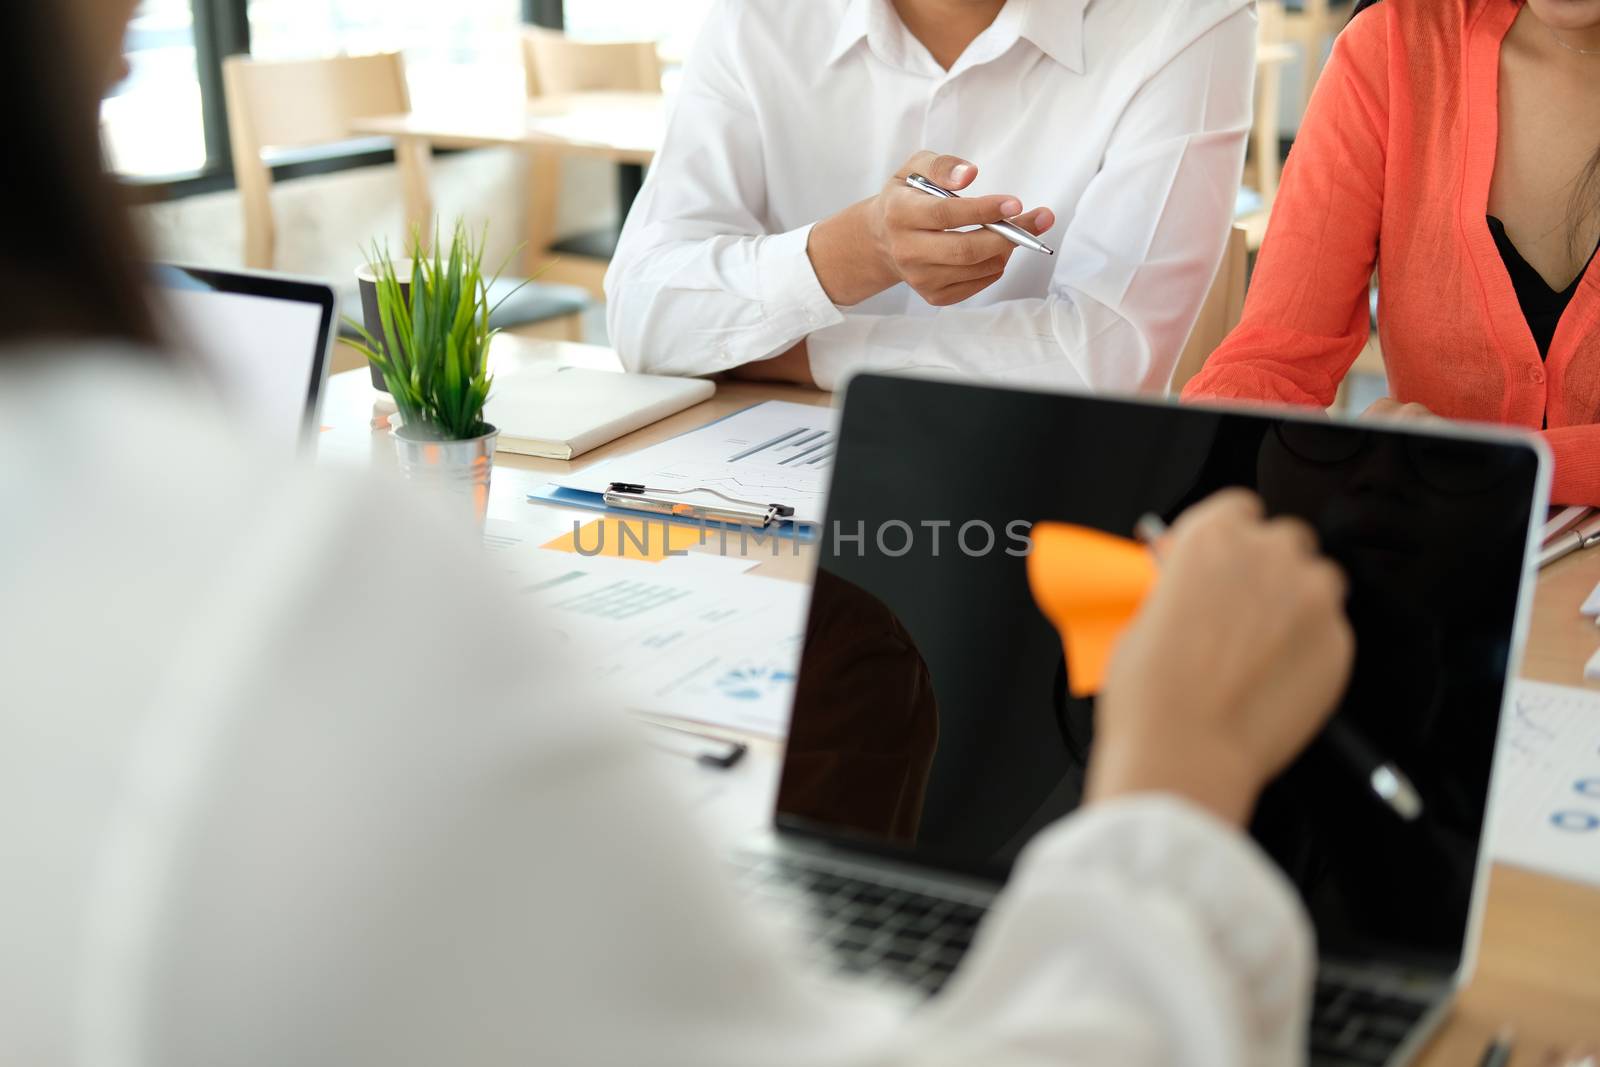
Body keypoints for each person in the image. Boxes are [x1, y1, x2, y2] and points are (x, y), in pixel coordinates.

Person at [5, 3, 1355, 1064]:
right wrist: (1177, 773)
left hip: (995, 555)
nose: (133, 41)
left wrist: (788, 332)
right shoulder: (314, 595)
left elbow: (1110, 357)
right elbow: (647, 313)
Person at [604, 0, 1257, 392]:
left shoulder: (1186, 19)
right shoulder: (764, 17)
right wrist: (850, 252)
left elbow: (1101, 362)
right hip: (753, 482)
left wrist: (777, 350)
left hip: (1033, 492)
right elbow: (643, 315)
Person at [1184, 0, 1600, 505]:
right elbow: (1273, 362)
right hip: (1432, 560)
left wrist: (1489, 467)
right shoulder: (1397, 49)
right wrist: (1203, 480)